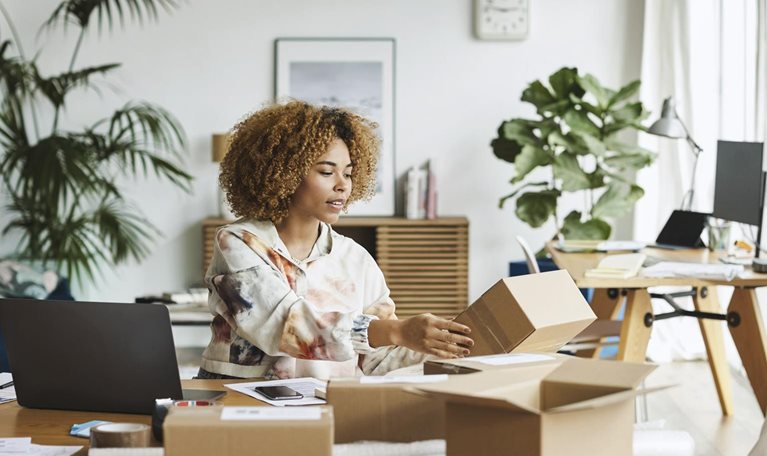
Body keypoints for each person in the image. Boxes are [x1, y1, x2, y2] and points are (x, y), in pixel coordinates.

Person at [198, 101, 473, 380]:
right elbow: (284, 325)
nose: (342, 184)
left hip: (324, 406)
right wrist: (397, 330)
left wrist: (445, 343)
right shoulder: (239, 242)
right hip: (240, 404)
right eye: (327, 172)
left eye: (349, 173)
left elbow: (378, 359)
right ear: (286, 174)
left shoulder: (356, 259)